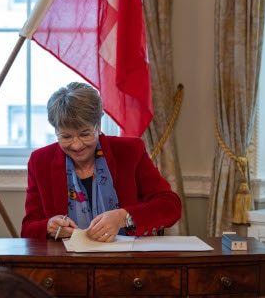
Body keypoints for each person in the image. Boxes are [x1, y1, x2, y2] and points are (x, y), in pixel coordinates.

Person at [21, 82, 181, 241]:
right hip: (68, 261)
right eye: (66, 137)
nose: (76, 145)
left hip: (128, 260)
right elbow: (28, 229)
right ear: (56, 131)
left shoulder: (129, 151)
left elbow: (170, 206)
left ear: (98, 125)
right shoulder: (40, 161)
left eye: (85, 134)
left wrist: (123, 217)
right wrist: (48, 226)